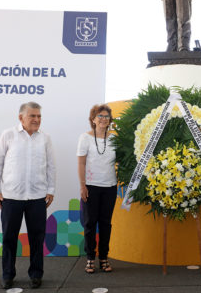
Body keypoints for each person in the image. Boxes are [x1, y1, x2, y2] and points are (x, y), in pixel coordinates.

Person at [0, 102, 56, 289]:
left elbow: (51, 166)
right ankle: (7, 275)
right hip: (11, 197)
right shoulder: (8, 135)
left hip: (37, 197)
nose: (36, 120)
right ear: (21, 118)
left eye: (39, 116)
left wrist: (50, 190)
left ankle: (36, 274)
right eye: (32, 116)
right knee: (9, 238)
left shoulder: (45, 138)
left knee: (37, 238)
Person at [77, 104, 117, 274]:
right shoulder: (84, 138)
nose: (103, 119)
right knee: (89, 223)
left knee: (106, 224)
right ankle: (90, 258)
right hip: (91, 187)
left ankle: (104, 257)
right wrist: (82, 185)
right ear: (93, 119)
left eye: (106, 117)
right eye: (100, 116)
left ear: (110, 120)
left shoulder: (115, 138)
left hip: (110, 187)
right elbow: (81, 162)